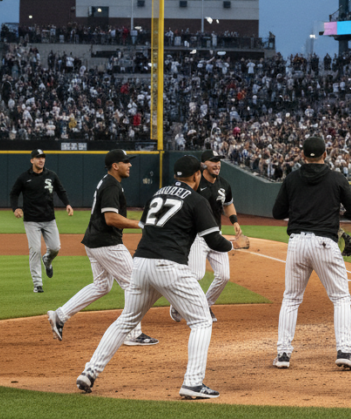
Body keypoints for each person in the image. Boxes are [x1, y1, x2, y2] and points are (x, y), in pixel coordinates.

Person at [75, 155, 238, 400]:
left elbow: (144, 224)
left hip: (140, 263)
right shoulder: (197, 199)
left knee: (126, 321)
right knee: (202, 321)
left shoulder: (157, 194)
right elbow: (213, 240)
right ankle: (193, 383)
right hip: (170, 266)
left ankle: (89, 371)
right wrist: (233, 246)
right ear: (196, 175)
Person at [270, 136, 351, 370]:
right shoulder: (336, 178)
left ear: (303, 155)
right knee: (341, 297)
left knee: (291, 298)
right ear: (326, 154)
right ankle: (344, 351)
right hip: (325, 243)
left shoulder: (292, 178)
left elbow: (277, 211)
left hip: (297, 243)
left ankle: (283, 354)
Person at [48, 150, 158, 347]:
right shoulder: (111, 185)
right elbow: (111, 218)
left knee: (102, 285)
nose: (129, 165)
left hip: (95, 241)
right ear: (115, 166)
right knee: (134, 283)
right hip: (106, 243)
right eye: (126, 162)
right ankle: (133, 333)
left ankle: (60, 316)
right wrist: (141, 224)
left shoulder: (108, 182)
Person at [170, 149, 240, 324]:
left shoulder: (224, 184)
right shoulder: (195, 185)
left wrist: (235, 221)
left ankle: (204, 304)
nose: (217, 164)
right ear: (203, 165)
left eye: (219, 161)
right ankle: (179, 304)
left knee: (224, 276)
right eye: (213, 161)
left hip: (215, 233)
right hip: (197, 236)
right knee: (195, 274)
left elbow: (228, 204)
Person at [10, 149, 72, 293]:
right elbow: (14, 193)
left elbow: (61, 190)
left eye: (43, 157)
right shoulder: (24, 177)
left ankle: (47, 261)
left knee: (55, 248)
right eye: (38, 157)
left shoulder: (51, 175)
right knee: (35, 250)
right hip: (31, 221)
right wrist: (15, 208)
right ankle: (37, 284)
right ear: (32, 160)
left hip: (49, 219)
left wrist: (67, 204)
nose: (41, 160)